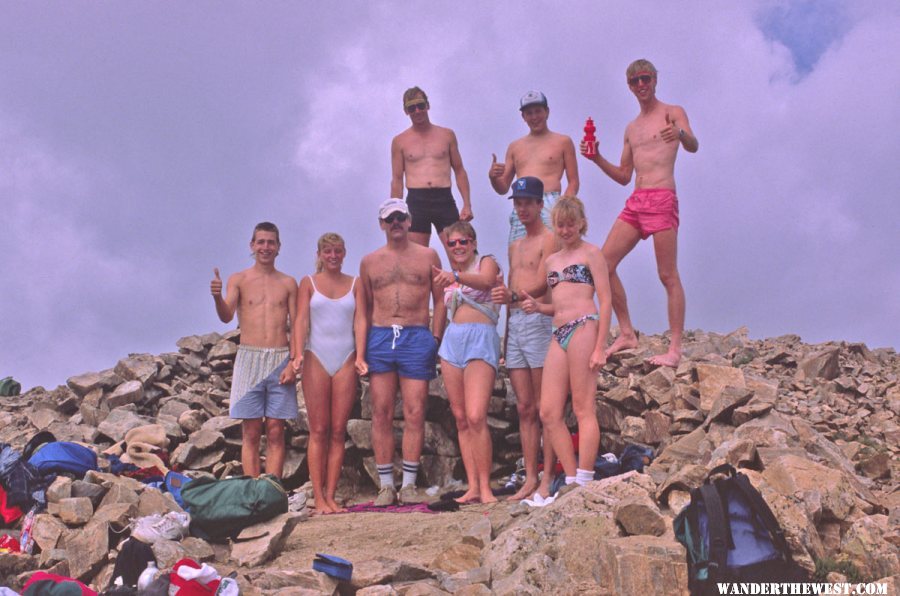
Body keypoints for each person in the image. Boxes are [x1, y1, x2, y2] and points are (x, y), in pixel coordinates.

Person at [580, 59, 699, 367]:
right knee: (603, 264)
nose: (641, 84)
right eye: (635, 81)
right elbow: (623, 175)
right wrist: (596, 159)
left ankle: (674, 348)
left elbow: (693, 144)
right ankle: (627, 333)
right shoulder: (631, 128)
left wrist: (681, 135)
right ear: (629, 86)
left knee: (667, 273)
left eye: (645, 78)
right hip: (637, 199)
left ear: (655, 80)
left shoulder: (672, 112)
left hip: (662, 197)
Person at [520, 196, 612, 489]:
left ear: (581, 224)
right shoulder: (551, 262)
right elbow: (556, 304)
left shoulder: (592, 253)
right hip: (558, 332)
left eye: (571, 224)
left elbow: (606, 300)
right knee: (548, 411)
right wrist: (537, 307)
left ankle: (584, 479)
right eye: (561, 225)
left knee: (584, 408)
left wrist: (600, 347)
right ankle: (571, 478)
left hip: (584, 326)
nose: (566, 230)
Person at [359, 198, 447, 505]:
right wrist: (361, 350)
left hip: (416, 335)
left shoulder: (428, 255)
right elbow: (363, 309)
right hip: (381, 335)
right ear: (382, 224)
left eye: (400, 217)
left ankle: (408, 484)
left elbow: (441, 299)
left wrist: (435, 338)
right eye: (390, 219)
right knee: (381, 412)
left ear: (409, 221)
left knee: (414, 410)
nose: (396, 223)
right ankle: (386, 485)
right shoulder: (370, 261)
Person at [210, 222, 298, 478]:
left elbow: (298, 324)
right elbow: (226, 316)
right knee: (250, 431)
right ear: (252, 245)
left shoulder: (288, 283)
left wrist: (294, 361)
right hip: (249, 357)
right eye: (261, 242)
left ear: (279, 247)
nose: (265, 247)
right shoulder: (239, 279)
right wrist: (216, 296)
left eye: (271, 242)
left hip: (280, 358)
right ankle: (250, 489)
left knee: (275, 430)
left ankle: (272, 489)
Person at [490, 176, 558, 501]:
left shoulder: (550, 239)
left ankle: (547, 477)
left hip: (537, 320)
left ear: (540, 204)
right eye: (518, 203)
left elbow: (545, 283)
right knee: (525, 408)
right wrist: (505, 336)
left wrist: (513, 295)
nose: (523, 208)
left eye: (528, 202)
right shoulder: (514, 245)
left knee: (547, 408)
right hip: (516, 323)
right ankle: (530, 477)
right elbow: (509, 293)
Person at [289, 233, 366, 514]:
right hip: (315, 358)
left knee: (337, 430)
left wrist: (360, 355)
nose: (333, 256)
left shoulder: (355, 283)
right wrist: (297, 353)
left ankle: (331, 496)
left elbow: (361, 319)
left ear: (344, 253)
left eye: (338, 251)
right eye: (328, 252)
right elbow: (300, 319)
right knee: (318, 430)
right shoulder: (308, 283)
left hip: (346, 358)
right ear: (319, 254)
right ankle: (318, 497)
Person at [432, 221, 502, 504]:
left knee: (476, 415)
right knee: (461, 418)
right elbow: (441, 307)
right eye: (453, 243)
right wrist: (434, 339)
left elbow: (486, 281)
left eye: (463, 241)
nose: (458, 247)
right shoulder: (449, 277)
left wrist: (456, 276)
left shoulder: (485, 262)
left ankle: (485, 487)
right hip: (453, 341)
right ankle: (472, 486)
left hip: (481, 338)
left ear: (473, 242)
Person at [489, 90, 579, 244]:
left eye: (538, 111)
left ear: (547, 112)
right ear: (523, 117)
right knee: (520, 254)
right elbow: (503, 187)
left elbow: (573, 181)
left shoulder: (563, 141)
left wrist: (565, 205)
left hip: (551, 201)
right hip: (522, 202)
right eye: (529, 113)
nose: (534, 117)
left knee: (554, 253)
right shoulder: (515, 147)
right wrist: (493, 177)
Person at [391, 86, 473, 248]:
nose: (417, 111)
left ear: (427, 106)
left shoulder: (446, 135)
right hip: (416, 201)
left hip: (444, 199)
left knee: (461, 250)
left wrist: (467, 204)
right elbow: (397, 179)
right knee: (416, 258)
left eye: (420, 105)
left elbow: (459, 170)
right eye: (411, 108)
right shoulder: (400, 141)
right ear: (406, 111)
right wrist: (395, 210)